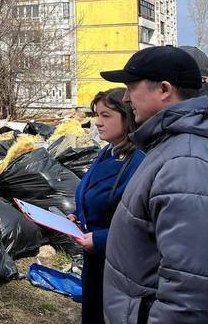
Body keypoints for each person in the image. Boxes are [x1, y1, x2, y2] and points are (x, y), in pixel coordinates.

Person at [99, 45, 208, 323]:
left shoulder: (185, 160)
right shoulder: (169, 145)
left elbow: (190, 291)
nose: (125, 97)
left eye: (131, 87)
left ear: (164, 89)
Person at [69, 88, 144, 324]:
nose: (98, 123)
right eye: (96, 115)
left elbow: (142, 223)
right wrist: (78, 218)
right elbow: (94, 196)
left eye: (106, 116)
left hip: (121, 266)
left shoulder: (139, 160)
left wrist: (101, 238)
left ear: (127, 116)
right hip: (96, 260)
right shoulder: (107, 152)